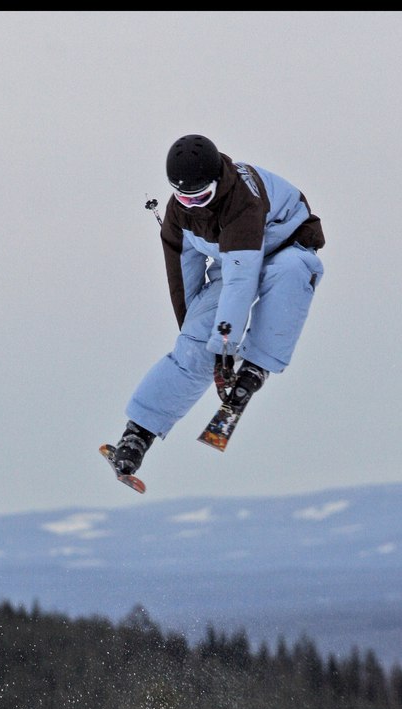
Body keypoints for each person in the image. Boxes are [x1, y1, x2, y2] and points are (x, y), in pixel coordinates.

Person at [109, 134, 325, 478]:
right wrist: (195, 331)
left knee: (291, 274)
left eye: (202, 197)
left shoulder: (241, 200)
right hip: (233, 261)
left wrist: (226, 350)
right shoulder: (178, 212)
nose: (194, 205)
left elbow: (243, 282)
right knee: (198, 339)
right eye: (184, 197)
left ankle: (256, 367)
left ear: (216, 183)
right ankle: (140, 431)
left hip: (284, 246)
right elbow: (183, 275)